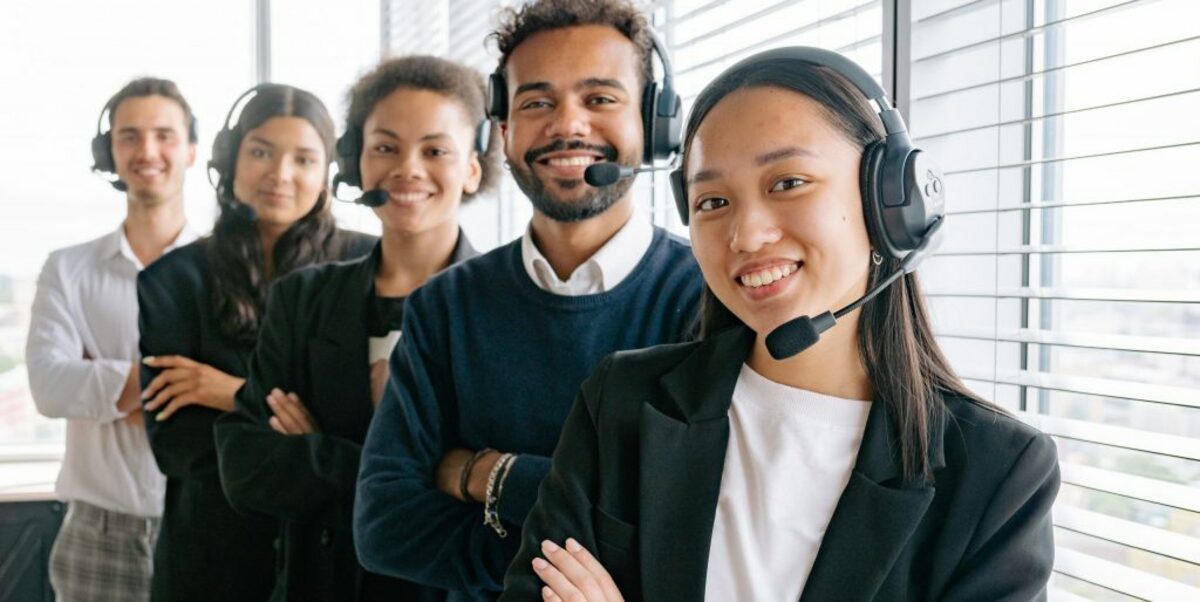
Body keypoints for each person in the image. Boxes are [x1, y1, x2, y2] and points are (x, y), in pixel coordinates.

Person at [501, 47, 1061, 602]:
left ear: (891, 200)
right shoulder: (622, 403)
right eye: (713, 201)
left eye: (787, 183)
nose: (745, 235)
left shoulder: (998, 474)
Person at [353, 1, 702, 599]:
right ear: (505, 132)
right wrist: (593, 543)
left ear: (652, 123)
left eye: (600, 99)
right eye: (537, 102)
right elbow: (385, 528)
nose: (568, 126)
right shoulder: (444, 305)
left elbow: (689, 533)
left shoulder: (706, 298)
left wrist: (484, 476)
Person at [213, 56, 498, 601]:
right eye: (385, 147)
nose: (408, 168)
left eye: (435, 150)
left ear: (473, 167)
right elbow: (246, 468)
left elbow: (503, 495)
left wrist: (320, 451)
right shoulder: (302, 299)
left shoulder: (506, 307)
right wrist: (430, 473)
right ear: (354, 161)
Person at [136, 83, 375, 601]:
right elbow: (180, 448)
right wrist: (312, 442)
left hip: (337, 562)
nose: (280, 174)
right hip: (211, 561)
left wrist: (232, 394)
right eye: (261, 152)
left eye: (304, 158)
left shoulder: (372, 268)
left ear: (330, 171)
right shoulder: (172, 280)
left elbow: (377, 443)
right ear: (230, 159)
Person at [26, 77, 199, 602]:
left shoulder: (224, 270)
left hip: (203, 526)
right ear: (109, 152)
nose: (147, 151)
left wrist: (104, 385)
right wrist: (175, 386)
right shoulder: (68, 269)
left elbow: (240, 392)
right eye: (130, 136)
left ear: (191, 152)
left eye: (164, 135)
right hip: (96, 534)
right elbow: (51, 388)